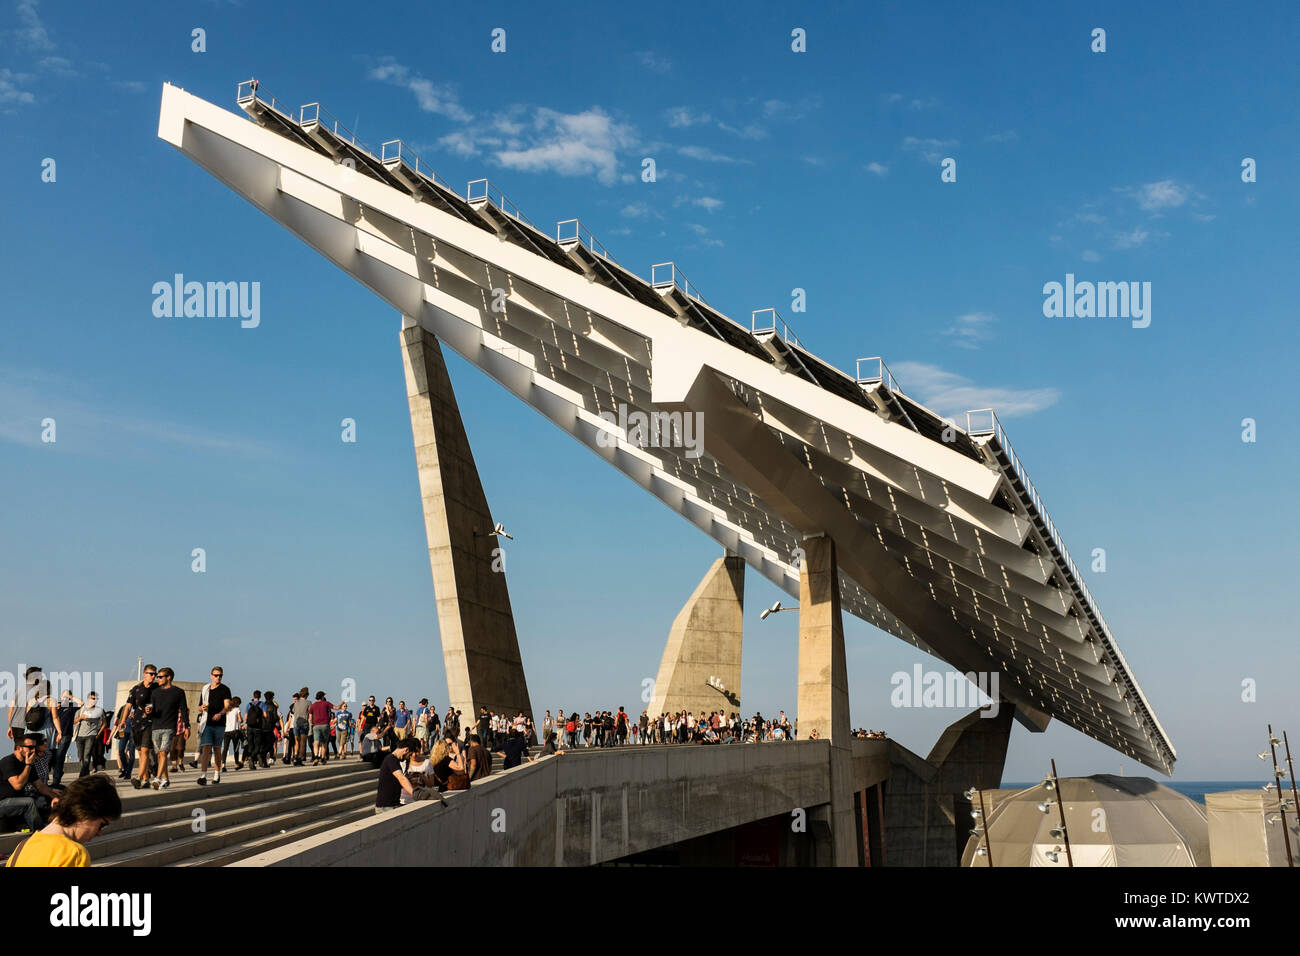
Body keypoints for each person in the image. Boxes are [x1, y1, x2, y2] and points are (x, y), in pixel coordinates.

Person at [3, 774, 122, 867]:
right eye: (101, 825)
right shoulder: (74, 854)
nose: (99, 833)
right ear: (86, 812)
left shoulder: (23, 846)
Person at [146, 668, 188, 789]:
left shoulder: (178, 692)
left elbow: (184, 710)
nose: (157, 679)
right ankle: (166, 779)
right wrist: (148, 711)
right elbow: (151, 708)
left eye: (160, 677)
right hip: (155, 727)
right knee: (159, 755)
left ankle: (157, 778)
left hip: (169, 727)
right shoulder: (155, 692)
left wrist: (187, 726)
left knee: (163, 753)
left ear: (168, 677)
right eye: (157, 677)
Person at [0, 733, 49, 832]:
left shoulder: (28, 763)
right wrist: (28, 765)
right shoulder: (8, 762)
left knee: (44, 800)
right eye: (30, 747)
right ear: (19, 748)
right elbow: (18, 785)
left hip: (17, 800)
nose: (33, 750)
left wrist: (55, 795)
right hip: (2, 802)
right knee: (29, 802)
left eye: (34, 747)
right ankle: (40, 832)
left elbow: (40, 786)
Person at [196, 666, 232, 786]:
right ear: (211, 676)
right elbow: (199, 707)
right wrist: (202, 708)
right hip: (207, 723)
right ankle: (203, 775)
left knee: (217, 749)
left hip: (219, 724)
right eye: (216, 675)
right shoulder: (205, 689)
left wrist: (220, 714)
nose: (218, 677)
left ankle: (216, 774)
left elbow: (227, 706)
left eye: (220, 675)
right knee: (206, 749)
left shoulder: (225, 689)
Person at [126, 664, 158, 790]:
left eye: (154, 674)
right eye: (151, 674)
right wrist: (123, 720)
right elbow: (128, 706)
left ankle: (139, 778)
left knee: (145, 751)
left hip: (150, 723)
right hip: (136, 724)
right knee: (141, 753)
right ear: (144, 674)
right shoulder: (136, 689)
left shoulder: (157, 688)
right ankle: (146, 779)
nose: (153, 676)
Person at [375, 737, 416, 813]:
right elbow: (401, 778)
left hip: (392, 804)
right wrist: (416, 794)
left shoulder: (394, 760)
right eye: (409, 755)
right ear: (406, 750)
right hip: (386, 807)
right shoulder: (391, 759)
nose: (409, 758)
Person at [72, 692, 106, 777]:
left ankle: (82, 775)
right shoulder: (81, 709)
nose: (94, 700)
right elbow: (73, 721)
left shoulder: (99, 710)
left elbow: (104, 723)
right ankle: (86, 773)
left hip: (91, 735)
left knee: (87, 756)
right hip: (80, 736)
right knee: (80, 756)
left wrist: (98, 733)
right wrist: (81, 717)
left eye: (96, 699)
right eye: (92, 698)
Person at [50, 691, 79, 785]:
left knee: (60, 756)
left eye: (67, 696)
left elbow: (81, 703)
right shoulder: (57, 707)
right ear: (60, 697)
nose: (65, 698)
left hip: (66, 735)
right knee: (53, 756)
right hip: (55, 736)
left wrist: (70, 696)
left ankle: (56, 780)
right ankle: (58, 773)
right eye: (63, 696)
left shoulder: (72, 706)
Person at [309, 691, 332, 764]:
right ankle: (322, 759)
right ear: (322, 697)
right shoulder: (326, 703)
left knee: (316, 742)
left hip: (316, 726)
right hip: (325, 725)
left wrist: (313, 723)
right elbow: (336, 707)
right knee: (324, 743)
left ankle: (316, 757)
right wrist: (341, 703)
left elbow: (310, 718)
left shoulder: (313, 705)